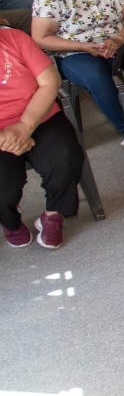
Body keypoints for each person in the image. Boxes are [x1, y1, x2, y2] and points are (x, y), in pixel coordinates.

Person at [30, 0, 124, 142]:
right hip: (75, 53)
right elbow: (40, 38)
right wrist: (83, 46)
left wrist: (119, 38)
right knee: (97, 76)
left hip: (117, 43)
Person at [0, 25, 82, 250]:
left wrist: (25, 127)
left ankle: (53, 213)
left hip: (39, 115)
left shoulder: (14, 38)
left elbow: (49, 82)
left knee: (65, 155)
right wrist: (5, 138)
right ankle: (10, 221)